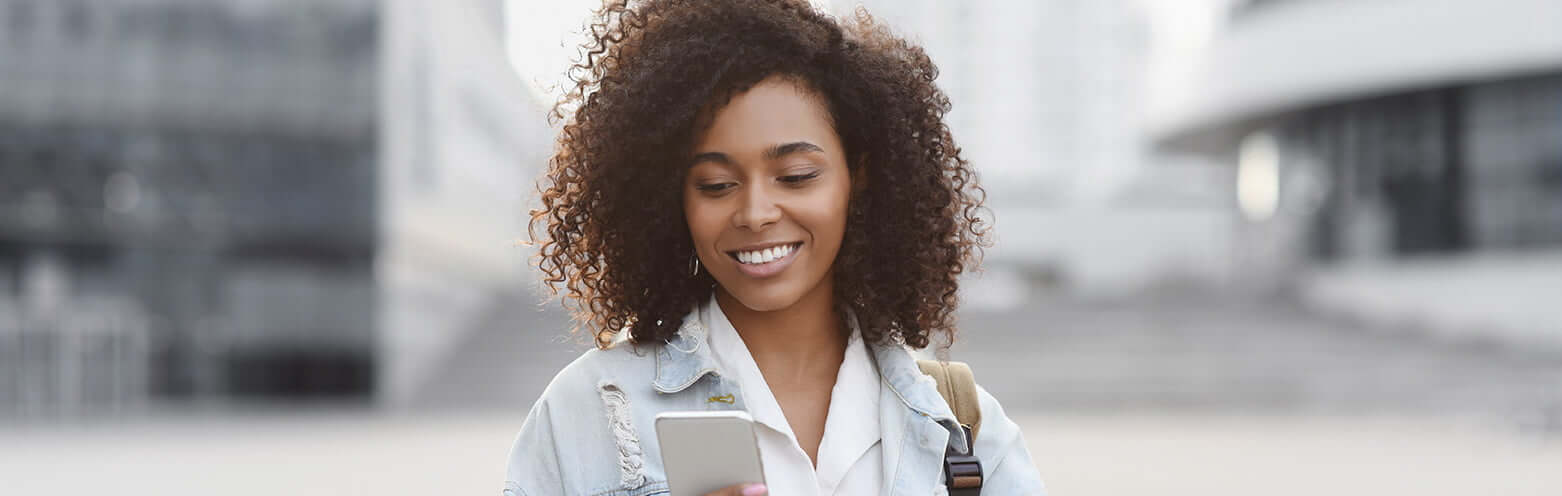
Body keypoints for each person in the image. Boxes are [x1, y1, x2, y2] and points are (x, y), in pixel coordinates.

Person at [505, 0, 1046, 494]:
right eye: (716, 185)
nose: (755, 212)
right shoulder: (588, 410)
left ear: (858, 180)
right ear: (672, 200)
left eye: (796, 175)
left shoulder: (961, 426)